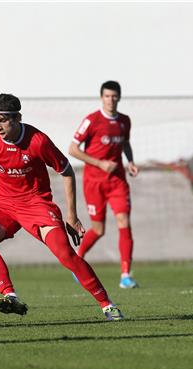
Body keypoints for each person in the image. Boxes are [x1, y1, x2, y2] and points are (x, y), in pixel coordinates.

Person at [0, 93, 124, 321]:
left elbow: (66, 171)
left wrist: (72, 216)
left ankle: (106, 304)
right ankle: (10, 295)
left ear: (17, 118)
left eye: (2, 120)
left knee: (66, 254)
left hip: (36, 204)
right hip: (2, 203)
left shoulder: (37, 141)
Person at [68, 81, 139, 289]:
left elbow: (125, 143)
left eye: (114, 96)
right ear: (101, 97)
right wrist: (99, 163)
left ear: (119, 97)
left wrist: (131, 161)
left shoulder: (125, 121)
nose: (111, 100)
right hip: (94, 182)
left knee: (124, 221)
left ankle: (126, 275)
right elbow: (72, 149)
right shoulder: (92, 120)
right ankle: (78, 259)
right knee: (98, 230)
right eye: (107, 96)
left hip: (117, 181)